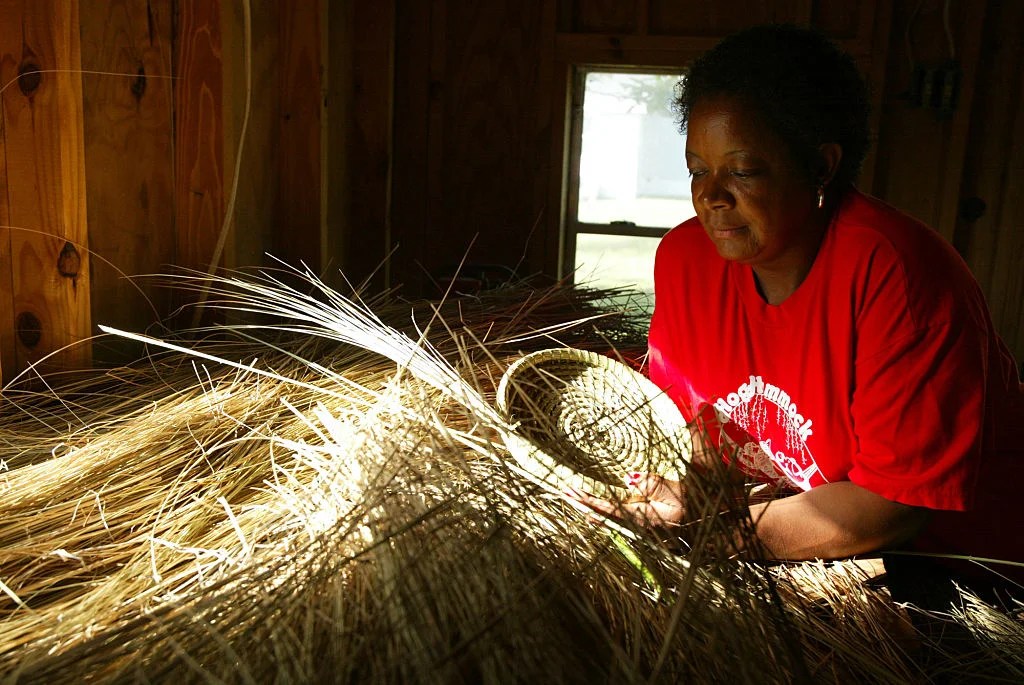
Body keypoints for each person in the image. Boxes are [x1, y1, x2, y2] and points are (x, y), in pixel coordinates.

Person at [570, 23, 1024, 605]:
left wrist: (715, 536)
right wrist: (686, 494)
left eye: (742, 170)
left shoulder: (898, 276)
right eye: (697, 170)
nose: (711, 195)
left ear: (821, 166)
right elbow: (699, 431)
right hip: (820, 531)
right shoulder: (687, 259)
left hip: (965, 563)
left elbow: (890, 506)